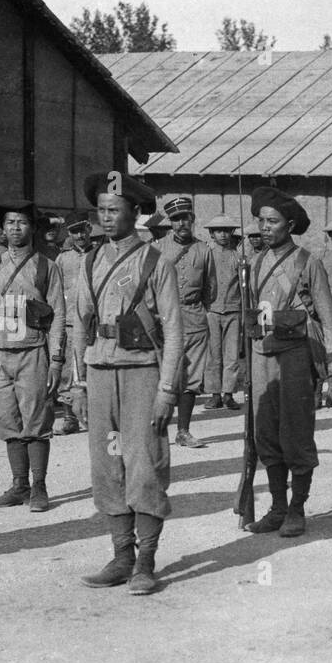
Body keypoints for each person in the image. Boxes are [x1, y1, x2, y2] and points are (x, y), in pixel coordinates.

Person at [73, 172, 183, 595]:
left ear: (135, 213)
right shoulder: (88, 261)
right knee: (107, 465)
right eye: (100, 209)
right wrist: (78, 384)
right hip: (101, 375)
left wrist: (167, 390)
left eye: (114, 210)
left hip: (142, 375)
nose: (105, 217)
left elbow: (173, 330)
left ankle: (146, 561)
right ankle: (120, 556)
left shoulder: (157, 263)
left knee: (145, 466)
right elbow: (77, 324)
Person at [243, 186, 332, 538]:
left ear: (290, 225)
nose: (265, 227)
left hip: (297, 356)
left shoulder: (307, 262)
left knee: (296, 432)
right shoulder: (252, 264)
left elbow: (328, 318)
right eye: (261, 221)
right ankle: (277, 507)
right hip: (261, 356)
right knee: (265, 432)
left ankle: (298, 509)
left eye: (273, 221)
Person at [0, 200, 66, 513]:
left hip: (33, 352)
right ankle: (19, 486)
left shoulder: (47, 266)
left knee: (37, 420)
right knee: (6, 420)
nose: (16, 228)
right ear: (1, 230)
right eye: (10, 223)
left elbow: (57, 314)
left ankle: (40, 487)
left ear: (32, 228)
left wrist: (56, 359)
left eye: (22, 222)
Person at [157, 196, 213, 449]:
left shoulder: (203, 250)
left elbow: (210, 291)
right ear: (170, 222)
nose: (181, 223)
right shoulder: (157, 249)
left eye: (185, 218)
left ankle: (183, 431)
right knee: (160, 375)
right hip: (163, 320)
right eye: (176, 219)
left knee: (190, 378)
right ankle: (156, 433)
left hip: (193, 319)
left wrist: (196, 311)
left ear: (193, 219)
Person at [54, 210, 96, 435]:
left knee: (92, 368)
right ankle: (70, 418)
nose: (79, 235)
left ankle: (93, 417)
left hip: (95, 323)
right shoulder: (63, 258)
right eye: (74, 231)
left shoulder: (100, 254)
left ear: (89, 228)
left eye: (82, 229)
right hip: (70, 322)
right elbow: (56, 291)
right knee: (68, 370)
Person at [203, 214, 244, 411]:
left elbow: (244, 287)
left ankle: (228, 394)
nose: (224, 235)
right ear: (211, 233)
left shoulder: (238, 256)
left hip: (233, 310)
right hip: (211, 310)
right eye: (219, 231)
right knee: (213, 354)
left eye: (227, 231)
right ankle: (214, 394)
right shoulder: (206, 254)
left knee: (231, 355)